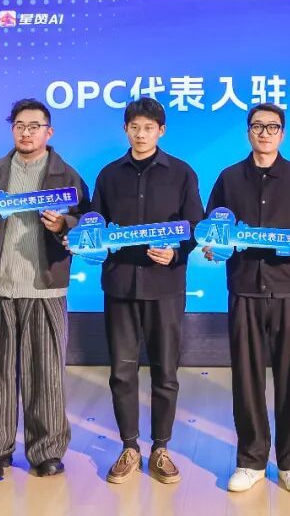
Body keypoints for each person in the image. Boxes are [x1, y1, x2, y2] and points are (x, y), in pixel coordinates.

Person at [0, 98, 88, 480]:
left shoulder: (67, 175)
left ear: (49, 131)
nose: (26, 133)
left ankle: (46, 451)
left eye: (34, 126)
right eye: (19, 126)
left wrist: (63, 225)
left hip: (45, 287)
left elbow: (87, 224)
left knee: (45, 375)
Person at [204, 103, 290, 494]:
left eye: (272, 127)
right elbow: (211, 229)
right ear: (248, 132)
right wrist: (212, 246)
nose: (264, 133)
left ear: (282, 134)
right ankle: (251, 460)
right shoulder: (228, 179)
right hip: (244, 289)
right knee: (246, 378)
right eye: (257, 126)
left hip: (288, 290)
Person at [90, 97, 203, 485]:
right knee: (122, 371)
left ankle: (160, 448)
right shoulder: (109, 175)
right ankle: (128, 446)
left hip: (165, 286)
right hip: (120, 284)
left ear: (161, 131)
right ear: (126, 129)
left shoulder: (182, 173)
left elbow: (195, 227)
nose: (141, 134)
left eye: (149, 128)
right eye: (135, 127)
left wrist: (175, 253)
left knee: (165, 372)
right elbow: (95, 225)